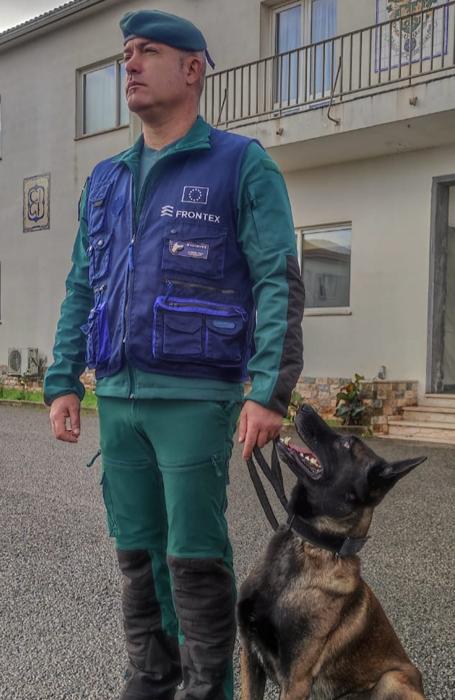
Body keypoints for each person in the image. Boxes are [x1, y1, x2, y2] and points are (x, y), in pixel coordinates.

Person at [44, 9, 304, 700]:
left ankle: (205, 687)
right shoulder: (104, 179)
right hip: (119, 398)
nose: (129, 64)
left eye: (148, 52)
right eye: (125, 52)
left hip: (195, 396)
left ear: (192, 69)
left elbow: (278, 276)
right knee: (136, 553)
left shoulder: (240, 164)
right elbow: (82, 284)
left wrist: (268, 391)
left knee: (192, 556)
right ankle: (151, 677)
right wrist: (62, 378)